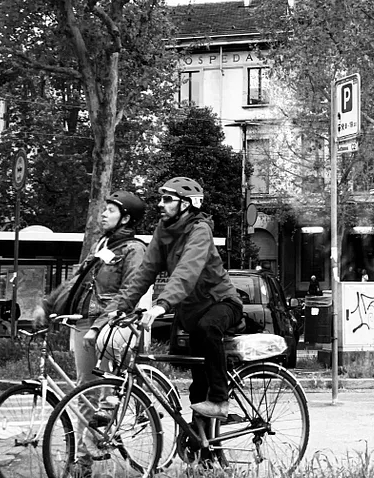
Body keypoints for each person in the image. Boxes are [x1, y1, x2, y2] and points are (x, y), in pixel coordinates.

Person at [104, 176, 243, 420]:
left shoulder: (200, 230)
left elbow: (186, 271)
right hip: (191, 310)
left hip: (221, 302)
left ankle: (221, 401)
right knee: (198, 382)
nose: (160, 204)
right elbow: (145, 272)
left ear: (187, 204)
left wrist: (162, 305)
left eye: (168, 200)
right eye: (161, 199)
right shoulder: (163, 230)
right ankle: (204, 444)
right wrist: (118, 308)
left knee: (208, 328)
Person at [32, 190, 147, 386]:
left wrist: (99, 325)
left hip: (113, 324)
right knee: (85, 386)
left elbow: (130, 291)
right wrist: (46, 305)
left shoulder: (134, 249)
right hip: (84, 320)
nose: (103, 214)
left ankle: (136, 411)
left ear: (126, 218)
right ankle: (85, 418)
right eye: (104, 210)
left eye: (110, 211)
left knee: (109, 385)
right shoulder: (101, 246)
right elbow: (76, 281)